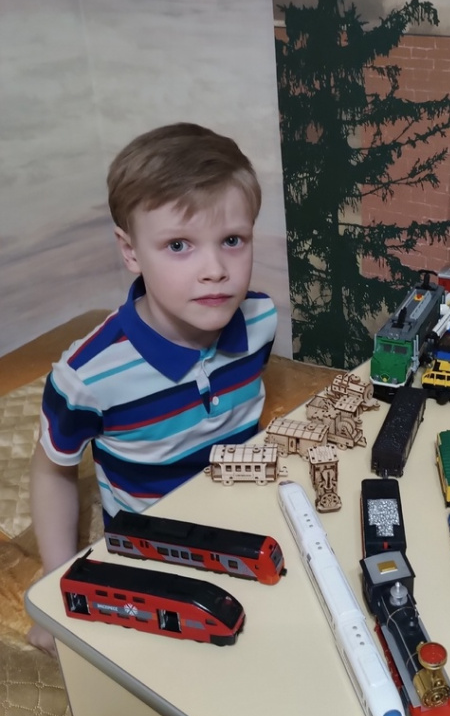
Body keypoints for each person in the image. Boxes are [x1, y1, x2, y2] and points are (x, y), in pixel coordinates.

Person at [27, 123, 277, 655]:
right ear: (131, 251)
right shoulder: (86, 377)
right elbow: (51, 469)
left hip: (246, 526)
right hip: (149, 551)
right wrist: (55, 586)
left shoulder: (260, 320)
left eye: (232, 240)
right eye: (179, 245)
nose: (215, 270)